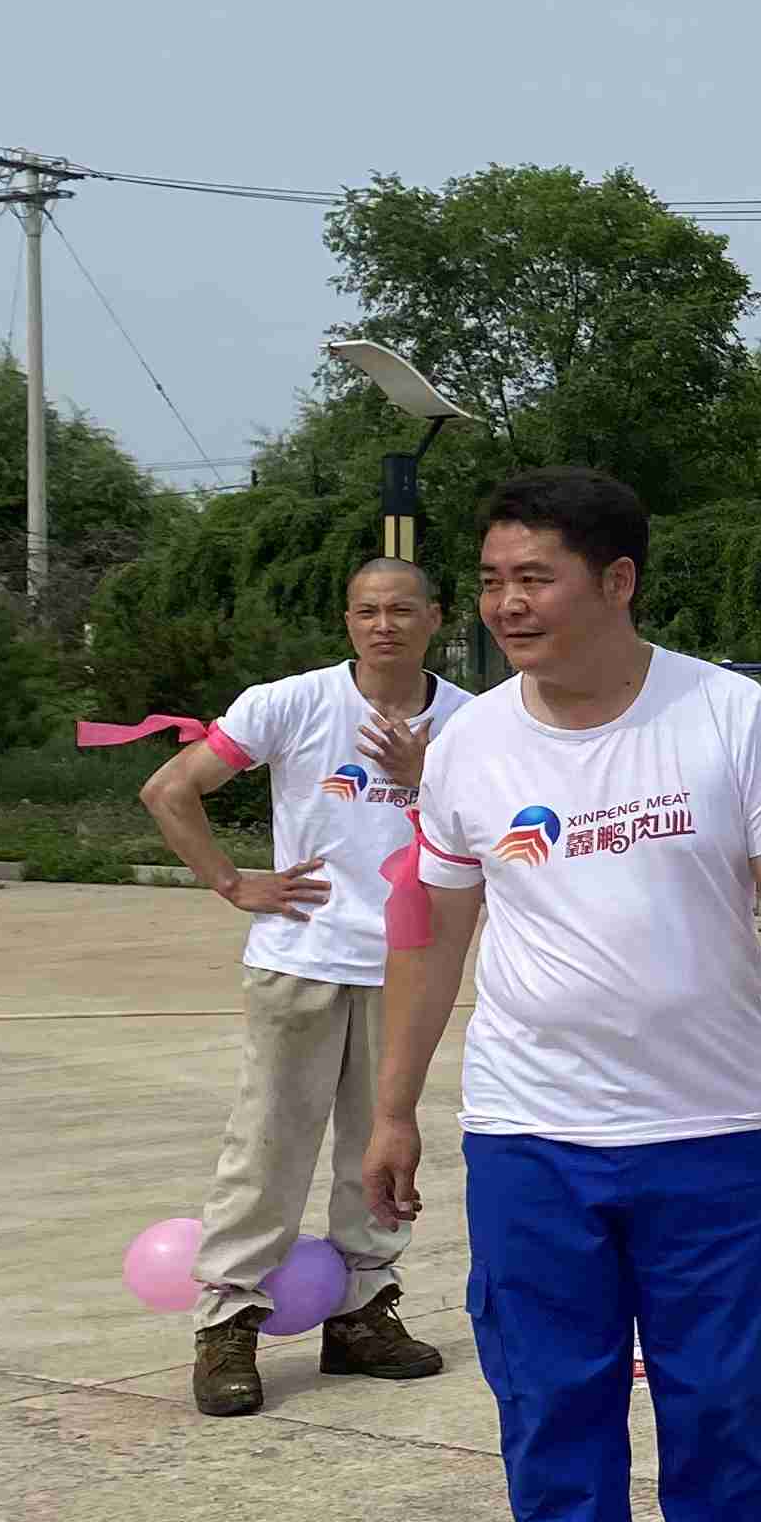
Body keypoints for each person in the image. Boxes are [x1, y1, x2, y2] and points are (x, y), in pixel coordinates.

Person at [366, 468, 761, 1522]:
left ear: (617, 580)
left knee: (719, 1392)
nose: (505, 604)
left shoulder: (726, 714)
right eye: (491, 580)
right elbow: (436, 929)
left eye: (535, 577)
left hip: (715, 1130)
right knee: (551, 1401)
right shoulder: (471, 747)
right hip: (531, 1134)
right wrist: (396, 1105)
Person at [140, 556, 471, 1416]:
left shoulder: (475, 722)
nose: (384, 625)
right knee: (269, 1146)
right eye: (367, 611)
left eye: (403, 609)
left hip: (410, 967)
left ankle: (362, 1312)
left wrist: (427, 777)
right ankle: (228, 1320)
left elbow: (496, 836)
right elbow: (170, 789)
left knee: (382, 1148)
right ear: (348, 620)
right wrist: (230, 881)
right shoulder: (289, 703)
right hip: (303, 959)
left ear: (437, 617)